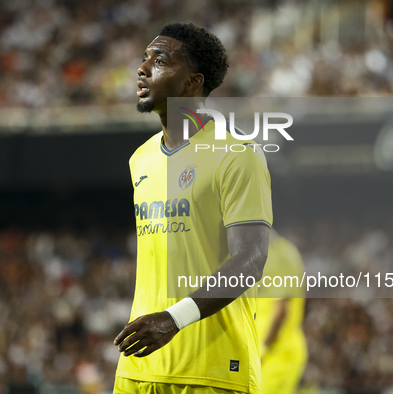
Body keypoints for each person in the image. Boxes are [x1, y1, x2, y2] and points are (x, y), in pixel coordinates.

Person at [113, 23, 273, 393]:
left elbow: (250, 260)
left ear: (191, 82)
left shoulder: (237, 156)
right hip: (139, 369)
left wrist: (173, 319)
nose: (142, 68)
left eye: (160, 60)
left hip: (212, 372)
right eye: (144, 59)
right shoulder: (141, 159)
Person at [256, 229, 307, 394]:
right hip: (263, 351)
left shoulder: (279, 255)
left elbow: (281, 310)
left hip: (277, 352)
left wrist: (263, 349)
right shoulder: (264, 254)